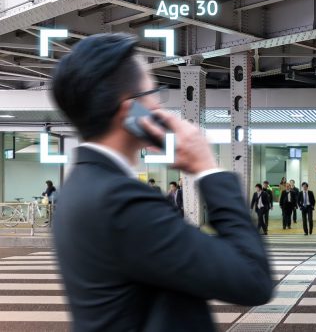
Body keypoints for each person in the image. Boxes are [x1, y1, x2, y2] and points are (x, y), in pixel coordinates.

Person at [51, 33, 271, 331]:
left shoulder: (78, 188)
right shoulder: (123, 201)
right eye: (154, 94)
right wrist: (207, 168)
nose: (159, 106)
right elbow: (252, 279)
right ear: (132, 111)